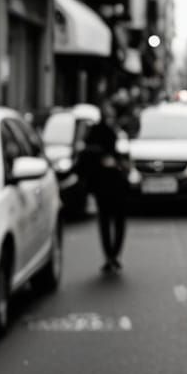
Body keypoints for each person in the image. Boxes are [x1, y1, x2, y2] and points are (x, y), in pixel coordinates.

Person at [78, 102, 130, 273]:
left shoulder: (122, 130)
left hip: (117, 182)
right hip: (104, 182)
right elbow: (87, 155)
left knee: (116, 219)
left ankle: (114, 255)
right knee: (107, 219)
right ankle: (110, 255)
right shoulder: (98, 131)